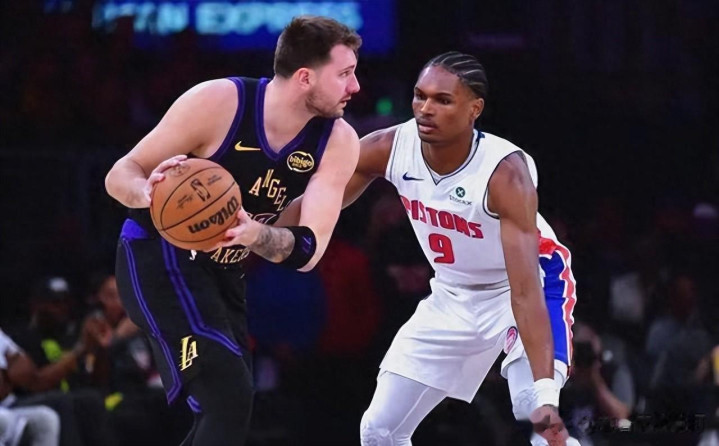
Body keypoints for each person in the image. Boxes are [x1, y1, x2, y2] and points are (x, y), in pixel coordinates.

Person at [288, 51, 577, 445]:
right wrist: (255, 226)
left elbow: (525, 292)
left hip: (526, 285)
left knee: (536, 414)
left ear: (474, 109)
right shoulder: (391, 146)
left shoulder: (505, 173)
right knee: (379, 430)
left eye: (442, 100)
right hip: (453, 293)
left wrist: (545, 393)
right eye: (419, 96)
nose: (425, 109)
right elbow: (318, 202)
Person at [104, 15, 362, 446]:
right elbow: (120, 173)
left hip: (224, 272)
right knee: (227, 396)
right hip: (158, 256)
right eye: (345, 74)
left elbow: (309, 251)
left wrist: (253, 234)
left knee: (233, 408)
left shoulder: (338, 141)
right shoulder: (219, 101)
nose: (355, 86)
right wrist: (147, 191)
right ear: (305, 77)